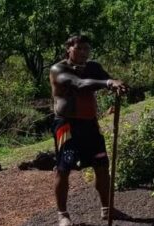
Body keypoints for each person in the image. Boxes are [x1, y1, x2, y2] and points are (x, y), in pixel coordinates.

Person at [49, 35, 128, 226]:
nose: (83, 53)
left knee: (102, 166)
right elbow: (79, 84)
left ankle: (107, 208)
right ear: (69, 48)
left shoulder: (93, 66)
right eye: (79, 49)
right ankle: (63, 215)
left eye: (86, 49)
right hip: (67, 126)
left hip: (90, 124)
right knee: (64, 168)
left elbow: (107, 79)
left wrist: (118, 85)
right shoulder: (58, 69)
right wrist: (108, 84)